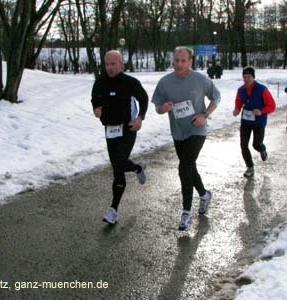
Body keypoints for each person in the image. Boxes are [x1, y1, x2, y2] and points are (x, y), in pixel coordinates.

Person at [152, 47, 221, 231]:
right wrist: (163, 109)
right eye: (176, 60)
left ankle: (186, 212)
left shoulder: (200, 79)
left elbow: (216, 97)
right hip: (178, 132)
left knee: (184, 168)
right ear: (173, 61)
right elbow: (157, 107)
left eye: (183, 61)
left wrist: (204, 115)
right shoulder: (165, 82)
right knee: (190, 167)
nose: (179, 64)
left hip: (197, 130)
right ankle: (204, 194)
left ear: (190, 62)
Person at [91, 50, 148, 225]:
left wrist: (140, 118)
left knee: (117, 166)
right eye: (107, 64)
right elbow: (95, 99)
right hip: (110, 129)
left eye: (113, 64)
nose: (109, 67)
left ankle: (113, 210)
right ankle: (137, 168)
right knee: (118, 163)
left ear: (121, 64)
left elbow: (143, 99)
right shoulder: (100, 82)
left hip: (128, 128)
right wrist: (96, 109)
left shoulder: (130, 82)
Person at [233, 67, 276, 178]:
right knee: (243, 145)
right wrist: (237, 109)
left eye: (249, 77)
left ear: (253, 77)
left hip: (259, 122)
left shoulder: (262, 89)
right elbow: (238, 102)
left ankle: (262, 149)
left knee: (256, 144)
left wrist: (261, 111)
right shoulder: (241, 90)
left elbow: (272, 106)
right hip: (246, 121)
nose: (246, 79)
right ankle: (250, 167)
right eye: (244, 77)